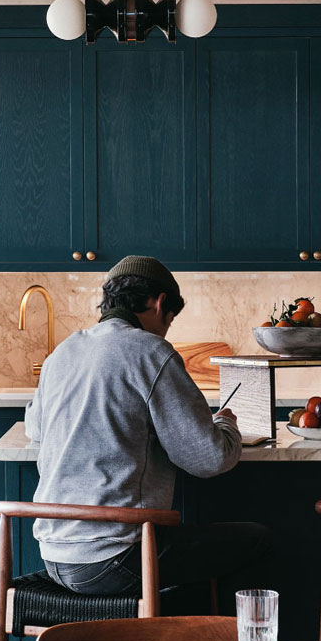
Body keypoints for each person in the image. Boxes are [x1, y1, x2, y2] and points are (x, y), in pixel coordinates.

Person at [23, 255, 274, 609]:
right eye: (170, 319)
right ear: (159, 303)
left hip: (54, 557)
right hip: (116, 558)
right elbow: (209, 457)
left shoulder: (63, 352)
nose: (167, 328)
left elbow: (35, 428)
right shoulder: (151, 351)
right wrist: (225, 423)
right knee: (258, 541)